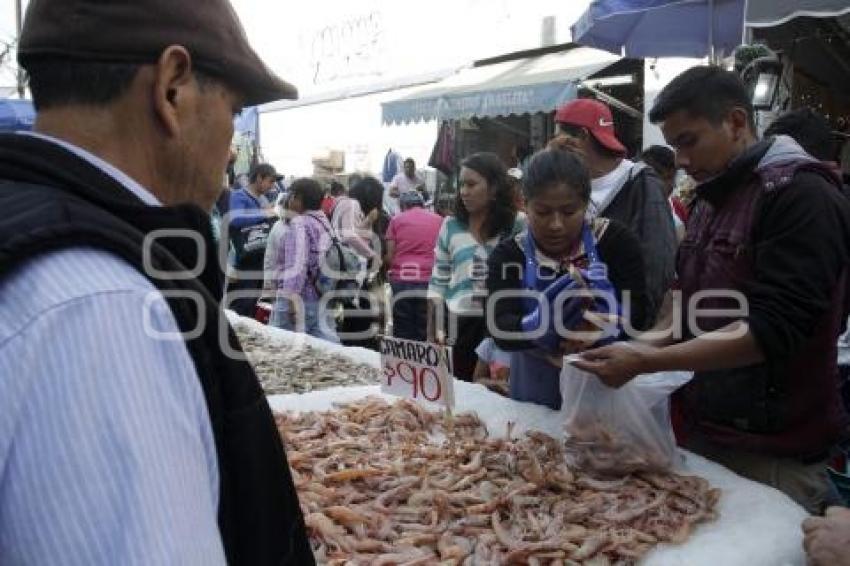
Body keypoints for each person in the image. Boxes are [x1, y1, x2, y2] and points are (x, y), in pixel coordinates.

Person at [0, 0, 312, 564]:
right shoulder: (103, 307)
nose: (231, 146)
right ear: (172, 89)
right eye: (235, 111)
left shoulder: (24, 218)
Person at [574, 66, 850, 514]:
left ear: (737, 122)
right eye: (674, 145)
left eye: (689, 141)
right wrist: (636, 341)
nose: (680, 160)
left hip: (774, 451)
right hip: (709, 431)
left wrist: (647, 359)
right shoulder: (708, 198)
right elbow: (686, 300)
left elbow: (774, 327)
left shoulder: (800, 195)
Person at [486, 149, 649, 409]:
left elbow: (641, 310)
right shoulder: (508, 255)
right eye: (542, 212)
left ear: (586, 204)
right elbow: (498, 326)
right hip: (535, 388)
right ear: (523, 204)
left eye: (569, 211)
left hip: (603, 385)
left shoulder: (615, 241)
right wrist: (533, 326)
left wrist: (613, 322)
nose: (556, 225)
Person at [551, 99, 676, 324]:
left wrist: (635, 325)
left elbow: (657, 265)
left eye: (558, 134)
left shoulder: (641, 184)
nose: (553, 143)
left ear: (581, 136)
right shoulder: (566, 183)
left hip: (621, 325)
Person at [428, 152, 523, 380]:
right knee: (459, 393)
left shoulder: (517, 225)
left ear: (493, 188)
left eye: (471, 184)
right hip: (458, 326)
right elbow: (438, 282)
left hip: (502, 327)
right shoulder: (450, 225)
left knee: (497, 396)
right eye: (461, 184)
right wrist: (433, 333)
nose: (464, 191)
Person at [271, 178, 339, 343]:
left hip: (300, 299)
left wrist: (291, 300)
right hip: (321, 296)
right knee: (326, 350)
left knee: (282, 349)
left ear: (298, 198)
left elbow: (296, 266)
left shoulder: (299, 223)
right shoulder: (323, 221)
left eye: (291, 195)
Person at [385, 191, 443, 342]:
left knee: (403, 329)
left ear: (403, 206)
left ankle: (404, 363)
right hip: (430, 281)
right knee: (427, 330)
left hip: (402, 280)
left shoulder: (396, 220)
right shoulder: (439, 220)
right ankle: (425, 362)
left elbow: (390, 255)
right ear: (422, 204)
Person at [226, 162, 281, 316]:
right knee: (242, 301)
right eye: (270, 181)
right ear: (259, 178)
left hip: (258, 257)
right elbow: (235, 219)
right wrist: (265, 214)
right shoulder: (239, 196)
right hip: (244, 260)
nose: (272, 186)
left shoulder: (262, 199)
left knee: (252, 300)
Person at [639, 145, 686, 238]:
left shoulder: (677, 207)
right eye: (666, 178)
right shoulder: (631, 210)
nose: (673, 185)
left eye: (673, 178)